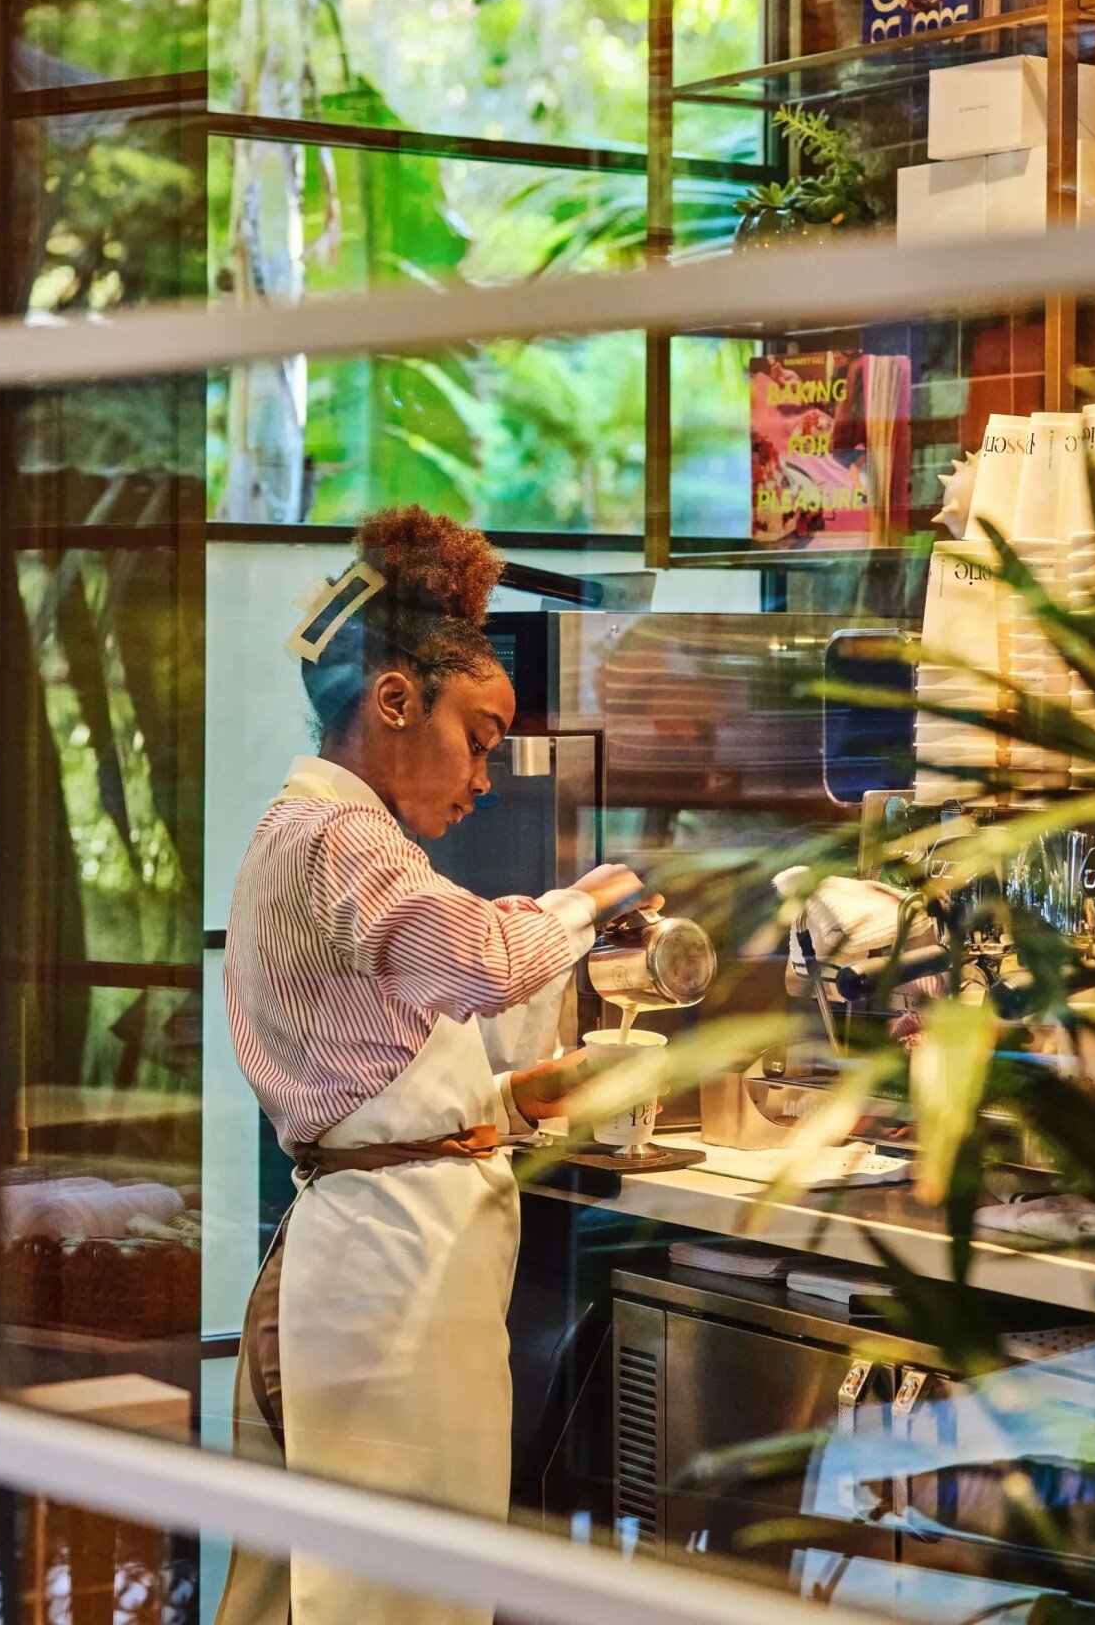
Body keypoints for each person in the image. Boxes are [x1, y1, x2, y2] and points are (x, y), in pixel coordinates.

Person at [215, 506, 650, 1625]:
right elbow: (481, 960)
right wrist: (595, 899)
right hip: (380, 1281)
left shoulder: (321, 834)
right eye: (481, 738)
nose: (485, 779)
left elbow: (362, 1080)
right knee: (389, 1597)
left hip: (376, 1253)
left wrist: (511, 1100)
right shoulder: (339, 836)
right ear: (395, 699)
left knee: (330, 1591)